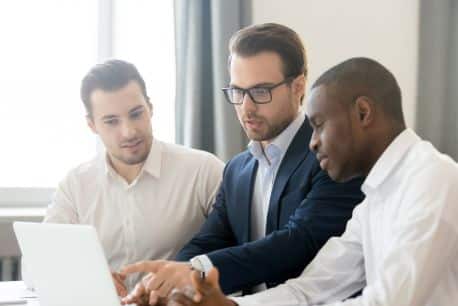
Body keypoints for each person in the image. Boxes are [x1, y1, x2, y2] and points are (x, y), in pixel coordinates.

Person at [167, 57, 458, 306]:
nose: (312, 143)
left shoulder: (432, 178)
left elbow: (388, 302)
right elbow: (309, 290)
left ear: (363, 113)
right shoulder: (373, 199)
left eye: (318, 125)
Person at [121, 23, 364, 305]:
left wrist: (194, 272)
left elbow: (298, 242)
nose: (246, 108)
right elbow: (209, 240)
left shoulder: (332, 155)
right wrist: (163, 282)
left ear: (298, 87)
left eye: (261, 92)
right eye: (237, 92)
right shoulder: (238, 169)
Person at [29, 59, 224, 296]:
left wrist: (192, 273)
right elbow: (36, 267)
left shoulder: (203, 170)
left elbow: (238, 249)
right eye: (111, 121)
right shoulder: (75, 185)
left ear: (150, 108)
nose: (129, 131)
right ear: (92, 125)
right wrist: (88, 279)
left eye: (136, 114)